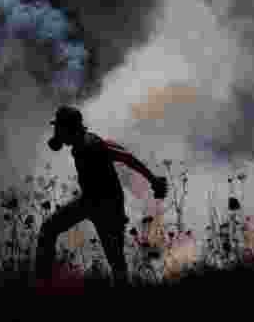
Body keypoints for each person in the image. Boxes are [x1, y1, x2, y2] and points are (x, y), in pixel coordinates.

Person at [35, 105, 168, 288]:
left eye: (58, 128)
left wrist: (153, 180)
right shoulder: (85, 143)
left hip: (107, 206)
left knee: (116, 261)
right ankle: (43, 283)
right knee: (48, 229)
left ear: (67, 128)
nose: (56, 131)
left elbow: (127, 158)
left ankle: (43, 283)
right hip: (90, 201)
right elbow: (126, 157)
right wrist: (153, 179)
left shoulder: (92, 145)